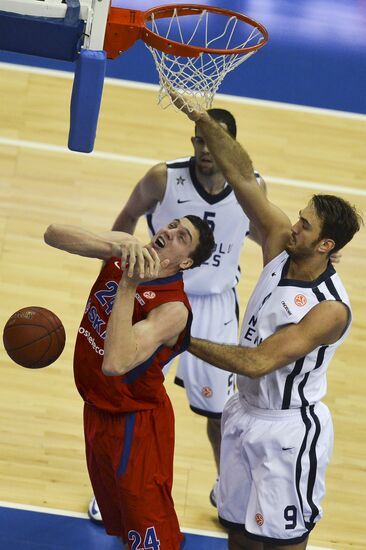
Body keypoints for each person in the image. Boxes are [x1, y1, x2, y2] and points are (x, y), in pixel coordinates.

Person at [170, 97, 363, 549]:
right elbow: (241, 175)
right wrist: (203, 119)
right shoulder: (281, 245)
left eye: (305, 225)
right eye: (298, 218)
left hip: (288, 430)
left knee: (280, 542)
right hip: (244, 411)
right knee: (237, 532)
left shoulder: (328, 309)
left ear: (325, 245)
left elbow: (257, 361)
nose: (292, 225)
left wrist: (182, 338)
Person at [87, 108, 267, 522]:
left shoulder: (251, 188)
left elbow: (257, 229)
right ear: (193, 143)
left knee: (221, 414)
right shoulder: (163, 177)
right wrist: (109, 269)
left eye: (214, 140)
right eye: (199, 139)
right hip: (157, 295)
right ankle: (110, 491)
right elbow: (130, 215)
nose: (205, 148)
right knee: (127, 399)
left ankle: (228, 492)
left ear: (231, 146)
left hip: (215, 307)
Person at [44, 216, 215, 550]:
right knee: (122, 523)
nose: (168, 232)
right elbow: (53, 234)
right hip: (97, 412)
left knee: (151, 537)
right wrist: (112, 246)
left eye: (182, 236)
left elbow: (116, 363)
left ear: (185, 262)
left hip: (136, 428)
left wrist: (128, 283)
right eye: (172, 225)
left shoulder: (172, 309)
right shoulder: (126, 248)